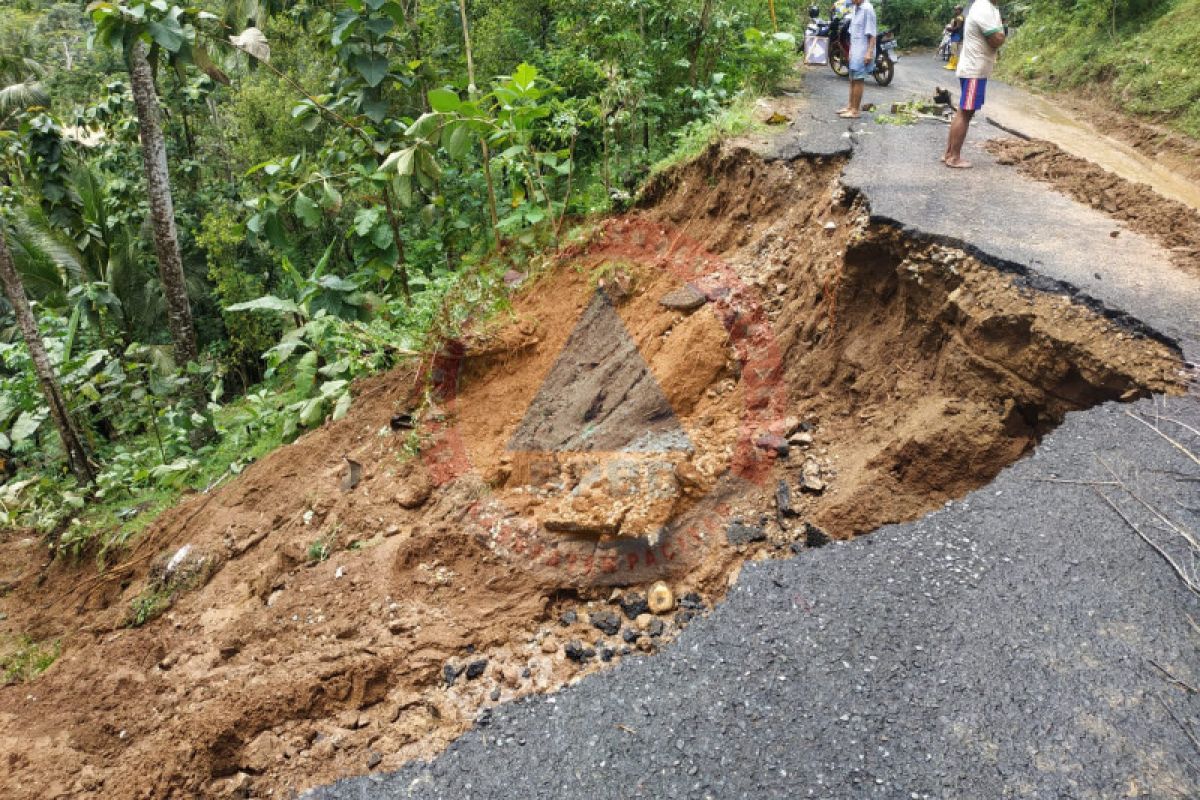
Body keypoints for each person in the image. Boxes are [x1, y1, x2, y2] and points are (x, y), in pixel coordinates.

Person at [943, 0, 1005, 168]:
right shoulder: (983, 7)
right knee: (966, 112)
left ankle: (949, 153)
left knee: (964, 111)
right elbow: (997, 39)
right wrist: (1001, 32)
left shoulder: (988, 7)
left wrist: (1000, 32)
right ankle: (953, 157)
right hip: (974, 70)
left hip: (975, 69)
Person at [835, 0, 876, 119]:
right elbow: (853, 33)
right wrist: (850, 50)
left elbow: (872, 34)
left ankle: (855, 111)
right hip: (855, 49)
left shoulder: (867, 9)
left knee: (858, 79)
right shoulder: (856, 8)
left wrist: (869, 52)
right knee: (852, 78)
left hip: (863, 50)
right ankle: (850, 106)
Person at [944, 6, 965, 70]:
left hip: (957, 36)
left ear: (960, 10)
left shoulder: (959, 17)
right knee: (958, 51)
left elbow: (958, 27)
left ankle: (953, 65)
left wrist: (949, 29)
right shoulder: (960, 17)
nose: (955, 11)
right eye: (955, 9)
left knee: (954, 50)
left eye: (956, 9)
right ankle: (956, 65)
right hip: (959, 35)